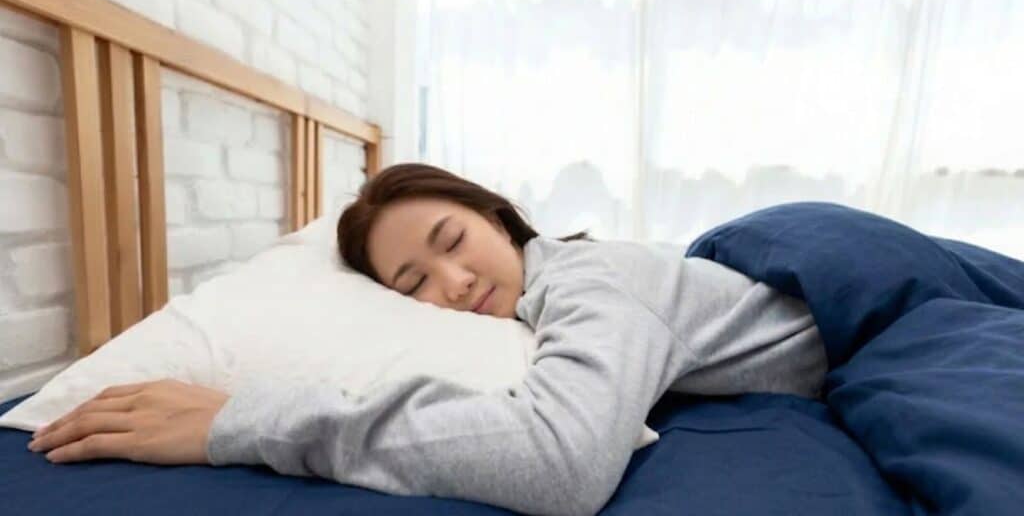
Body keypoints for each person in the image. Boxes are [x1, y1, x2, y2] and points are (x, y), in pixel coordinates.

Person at [27, 163, 827, 516]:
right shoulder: (533, 311)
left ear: (497, 216)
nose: (451, 283)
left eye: (453, 239)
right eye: (412, 284)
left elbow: (562, 460)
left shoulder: (591, 279)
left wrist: (238, 423)